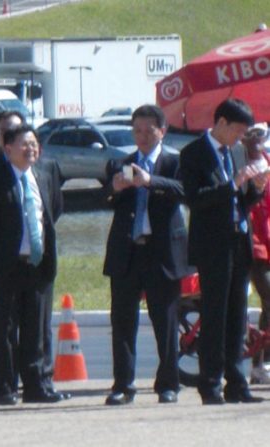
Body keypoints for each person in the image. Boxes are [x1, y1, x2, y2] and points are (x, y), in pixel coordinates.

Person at [0, 124, 67, 405]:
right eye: (24, 145)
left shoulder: (44, 174)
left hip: (38, 264)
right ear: (8, 149)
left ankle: (37, 386)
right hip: (5, 266)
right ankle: (3, 388)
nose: (30, 149)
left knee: (36, 328)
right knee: (5, 329)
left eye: (34, 144)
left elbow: (54, 209)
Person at [179, 98, 268, 405]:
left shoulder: (236, 152)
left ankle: (237, 382)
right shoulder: (193, 154)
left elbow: (240, 203)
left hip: (238, 241)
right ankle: (211, 383)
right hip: (212, 246)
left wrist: (255, 188)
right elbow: (196, 198)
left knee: (236, 316)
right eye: (238, 130)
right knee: (215, 316)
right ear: (222, 123)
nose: (240, 137)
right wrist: (234, 183)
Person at [102, 105, 193, 405]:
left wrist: (150, 181)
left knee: (165, 322)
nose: (142, 136)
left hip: (161, 252)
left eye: (148, 130)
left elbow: (185, 191)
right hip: (127, 252)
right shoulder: (123, 162)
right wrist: (115, 188)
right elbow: (109, 201)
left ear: (162, 131)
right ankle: (123, 385)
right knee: (123, 322)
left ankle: (168, 383)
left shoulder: (173, 162)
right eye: (137, 130)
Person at [230, 122, 270, 384]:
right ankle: (260, 362)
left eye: (260, 135)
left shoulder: (266, 160)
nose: (256, 140)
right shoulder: (236, 161)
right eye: (250, 135)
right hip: (251, 239)